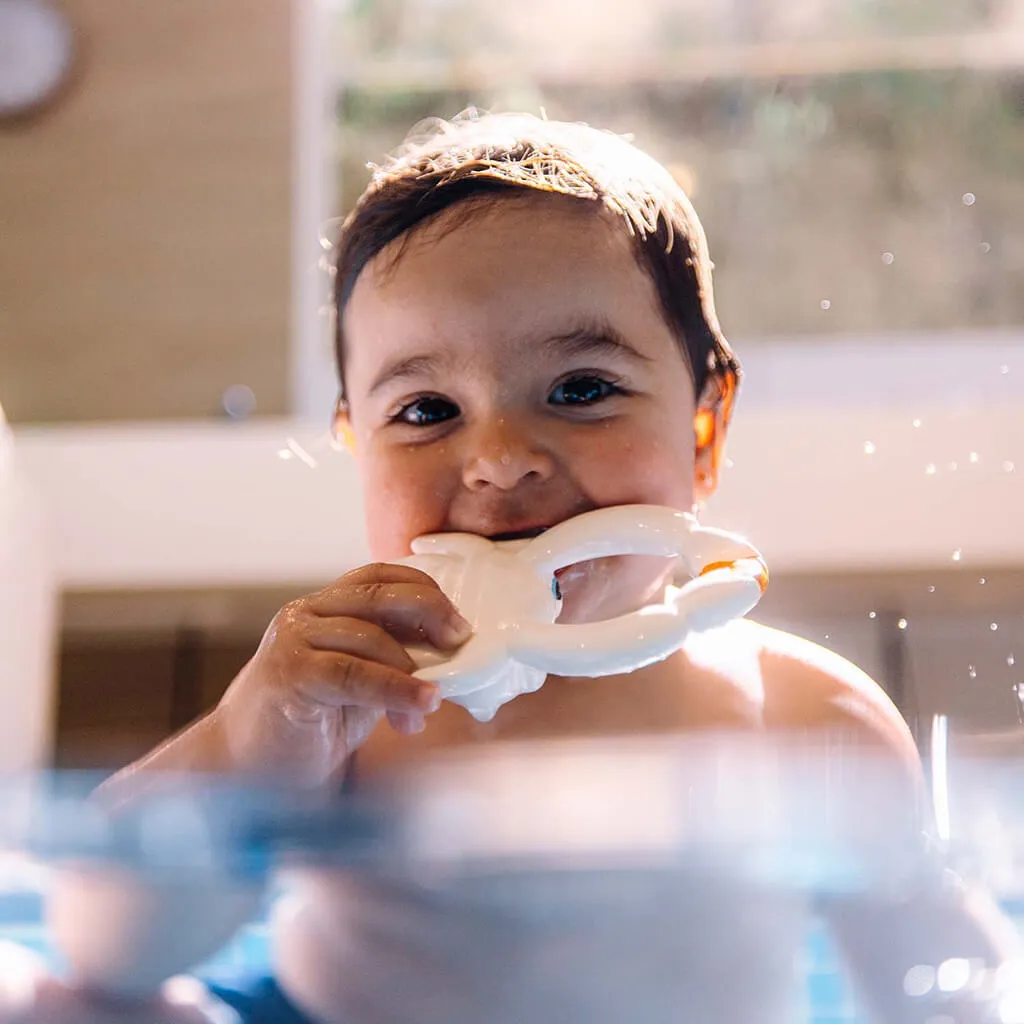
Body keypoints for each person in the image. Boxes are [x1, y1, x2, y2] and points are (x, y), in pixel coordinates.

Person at [10, 112, 1018, 1024]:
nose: (498, 458)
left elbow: (944, 984)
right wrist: (250, 743)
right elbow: (106, 951)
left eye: (580, 388)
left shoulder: (806, 717)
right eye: (425, 410)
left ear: (704, 431)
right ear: (357, 444)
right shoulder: (349, 698)